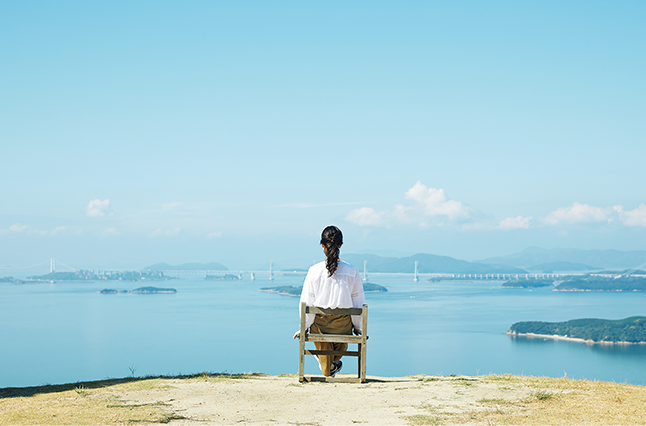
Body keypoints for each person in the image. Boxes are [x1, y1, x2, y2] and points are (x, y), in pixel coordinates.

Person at [292, 225, 365, 377]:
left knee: (324, 354)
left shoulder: (313, 271)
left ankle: (328, 366)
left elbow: (307, 301)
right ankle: (330, 366)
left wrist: (304, 327)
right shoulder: (352, 271)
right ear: (340, 245)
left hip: (320, 325)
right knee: (337, 347)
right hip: (343, 327)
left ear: (322, 245)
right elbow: (358, 302)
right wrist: (358, 327)